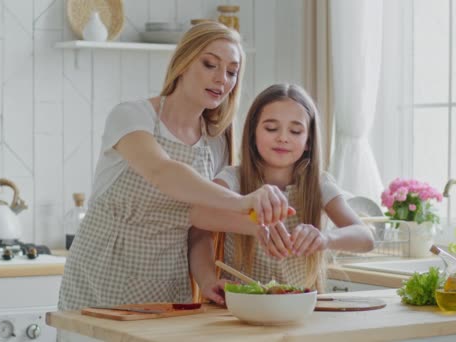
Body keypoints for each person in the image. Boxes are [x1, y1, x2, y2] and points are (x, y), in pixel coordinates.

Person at [58, 22, 291, 311]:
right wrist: (243, 202)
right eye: (210, 64)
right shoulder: (132, 116)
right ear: (183, 63)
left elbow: (197, 230)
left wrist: (207, 281)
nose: (222, 79)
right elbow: (163, 173)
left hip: (168, 285)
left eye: (232, 72)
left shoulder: (215, 143)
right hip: (100, 277)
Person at [190, 84, 375, 297]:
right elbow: (199, 219)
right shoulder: (233, 179)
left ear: (308, 141)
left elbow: (365, 237)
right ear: (253, 133)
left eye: (295, 131)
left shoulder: (319, 184)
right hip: (239, 305)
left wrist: (325, 238)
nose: (283, 138)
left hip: (300, 308)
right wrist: (208, 280)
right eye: (271, 128)